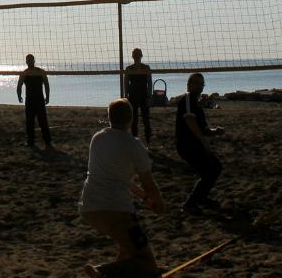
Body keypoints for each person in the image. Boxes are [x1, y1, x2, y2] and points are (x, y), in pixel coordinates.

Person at [79, 98, 165, 278]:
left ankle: (103, 272)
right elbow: (148, 182)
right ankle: (101, 272)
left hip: (88, 207)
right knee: (148, 265)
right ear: (131, 119)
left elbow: (121, 179)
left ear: (110, 118)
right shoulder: (133, 144)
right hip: (116, 211)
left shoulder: (98, 138)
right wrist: (160, 204)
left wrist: (145, 199)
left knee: (127, 248)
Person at [176, 73, 224, 214]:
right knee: (210, 170)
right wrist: (203, 140)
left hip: (195, 145)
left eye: (201, 84)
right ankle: (190, 203)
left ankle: (200, 197)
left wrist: (215, 131)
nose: (200, 86)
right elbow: (190, 121)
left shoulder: (196, 104)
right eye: (197, 83)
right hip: (186, 146)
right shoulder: (187, 100)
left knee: (214, 168)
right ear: (189, 84)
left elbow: (203, 129)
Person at [16, 54, 52, 148]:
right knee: (29, 121)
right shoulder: (24, 73)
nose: (29, 62)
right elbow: (19, 85)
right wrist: (19, 95)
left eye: (31, 60)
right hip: (29, 100)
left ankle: (47, 142)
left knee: (43, 121)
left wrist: (47, 97)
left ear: (34, 61)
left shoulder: (40, 72)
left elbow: (47, 85)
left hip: (39, 99)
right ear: (26, 62)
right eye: (28, 60)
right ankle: (30, 142)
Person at [124, 48, 153, 146]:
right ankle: (135, 141)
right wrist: (126, 95)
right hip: (133, 96)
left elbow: (150, 83)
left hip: (144, 95)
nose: (137, 57)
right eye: (135, 55)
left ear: (141, 56)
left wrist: (149, 96)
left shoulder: (146, 68)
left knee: (146, 119)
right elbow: (126, 84)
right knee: (134, 119)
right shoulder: (129, 69)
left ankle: (148, 142)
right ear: (133, 57)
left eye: (138, 55)